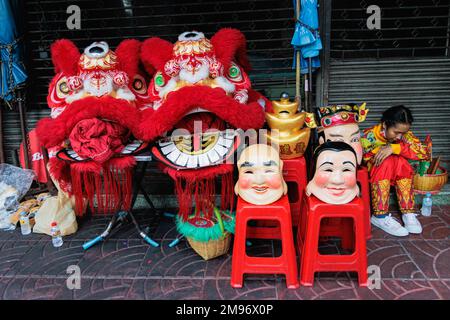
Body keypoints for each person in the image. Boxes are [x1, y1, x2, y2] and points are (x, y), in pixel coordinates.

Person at [361, 105, 428, 236]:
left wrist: (394, 148)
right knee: (386, 161)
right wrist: (380, 152)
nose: (399, 136)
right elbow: (361, 158)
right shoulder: (369, 135)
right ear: (385, 125)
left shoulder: (405, 135)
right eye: (396, 132)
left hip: (397, 172)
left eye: (402, 133)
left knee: (401, 162)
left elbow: (422, 153)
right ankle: (380, 217)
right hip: (378, 174)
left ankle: (408, 212)